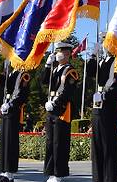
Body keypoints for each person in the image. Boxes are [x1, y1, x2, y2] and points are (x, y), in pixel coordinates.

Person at [86, 35, 117, 182]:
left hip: (110, 106)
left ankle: (110, 178)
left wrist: (105, 96)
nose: (107, 45)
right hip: (98, 107)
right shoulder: (103, 61)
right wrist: (93, 55)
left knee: (109, 147)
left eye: (109, 41)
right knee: (97, 146)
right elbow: (90, 72)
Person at [43, 42, 79, 182]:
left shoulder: (71, 71)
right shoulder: (55, 69)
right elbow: (44, 81)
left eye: (61, 51)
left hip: (62, 109)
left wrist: (55, 103)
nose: (58, 53)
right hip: (50, 109)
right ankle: (51, 171)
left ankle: (60, 173)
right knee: (50, 142)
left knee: (60, 143)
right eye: (58, 51)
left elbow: (67, 92)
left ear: (68, 54)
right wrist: (47, 65)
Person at [0, 61, 31, 182]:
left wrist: (11, 105)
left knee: (10, 142)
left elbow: (23, 95)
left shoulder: (23, 74)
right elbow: (2, 87)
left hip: (14, 111)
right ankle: (4, 171)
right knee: (4, 142)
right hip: (6, 109)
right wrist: (4, 71)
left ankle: (10, 173)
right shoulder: (11, 73)